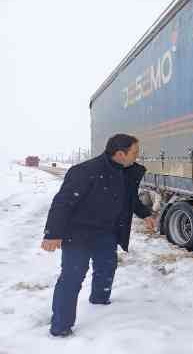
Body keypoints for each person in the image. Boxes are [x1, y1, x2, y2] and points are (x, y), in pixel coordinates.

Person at [41, 134, 156, 337]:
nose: (137, 156)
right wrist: (52, 234)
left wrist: (145, 214)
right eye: (135, 152)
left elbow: (130, 199)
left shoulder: (127, 172)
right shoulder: (85, 171)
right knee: (73, 277)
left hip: (106, 232)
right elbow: (62, 203)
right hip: (78, 233)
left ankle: (100, 301)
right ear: (121, 154)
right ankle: (60, 327)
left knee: (107, 266)